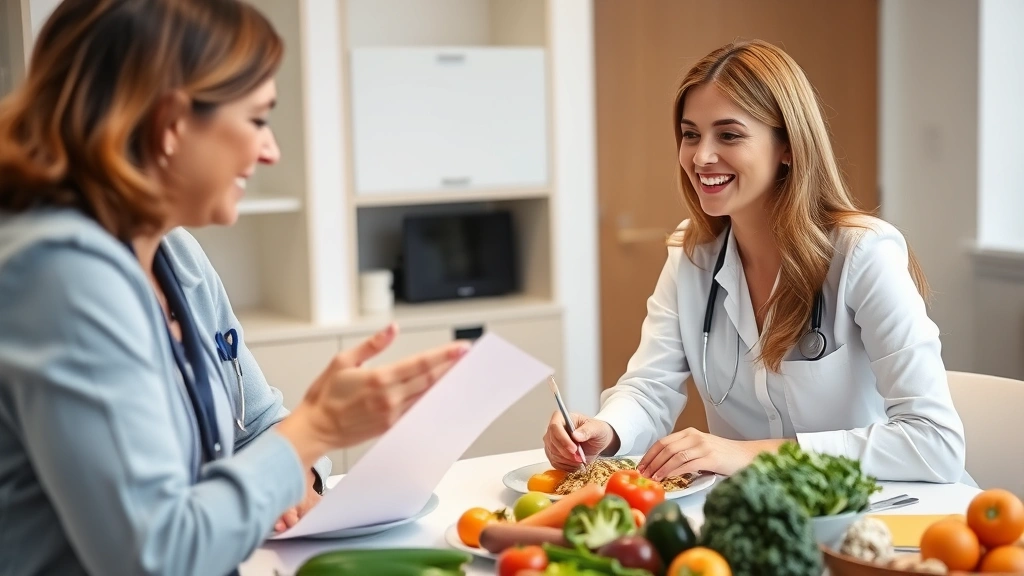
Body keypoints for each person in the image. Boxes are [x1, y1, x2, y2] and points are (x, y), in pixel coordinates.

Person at [0, 1, 468, 575]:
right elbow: (155, 558)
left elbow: (252, 426)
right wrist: (315, 429)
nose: (270, 151)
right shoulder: (61, 278)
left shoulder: (176, 257)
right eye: (256, 119)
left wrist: (300, 464)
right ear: (170, 123)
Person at [544, 39, 968, 485]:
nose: (701, 156)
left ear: (788, 145)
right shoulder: (691, 255)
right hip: (761, 519)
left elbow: (933, 442)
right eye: (691, 134)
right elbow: (649, 388)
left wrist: (752, 455)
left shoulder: (862, 254)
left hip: (888, 514)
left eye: (728, 134)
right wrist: (605, 432)